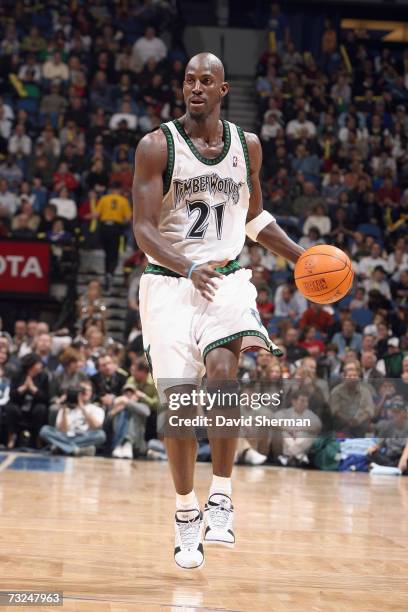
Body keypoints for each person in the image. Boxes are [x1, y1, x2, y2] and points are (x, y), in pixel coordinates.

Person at [132, 52, 303, 570]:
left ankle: (222, 496)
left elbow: (253, 218)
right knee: (180, 411)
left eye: (207, 80)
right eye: (189, 80)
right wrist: (186, 267)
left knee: (225, 376)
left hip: (225, 281)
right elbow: (143, 228)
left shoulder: (247, 147)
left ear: (225, 88)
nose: (196, 88)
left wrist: (302, 257)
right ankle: (187, 513)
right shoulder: (156, 146)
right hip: (168, 284)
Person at [40, 382, 106, 456]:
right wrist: (64, 410)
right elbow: (63, 430)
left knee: (101, 435)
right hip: (66, 436)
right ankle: (75, 450)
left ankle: (62, 447)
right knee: (44, 430)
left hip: (84, 437)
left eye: (87, 390)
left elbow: (96, 426)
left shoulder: (96, 409)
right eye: (81, 390)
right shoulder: (66, 408)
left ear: (92, 393)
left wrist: (82, 407)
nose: (84, 392)